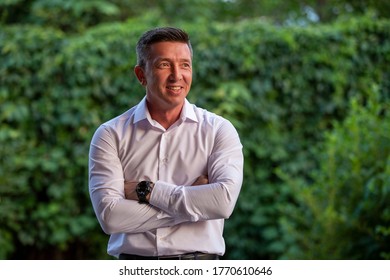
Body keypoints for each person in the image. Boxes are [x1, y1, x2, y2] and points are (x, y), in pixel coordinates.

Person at [88, 27, 243, 260]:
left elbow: (222, 202)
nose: (176, 75)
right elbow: (111, 217)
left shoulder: (218, 130)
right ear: (141, 75)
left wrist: (148, 191)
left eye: (185, 65)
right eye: (164, 65)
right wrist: (194, 201)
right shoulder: (110, 135)